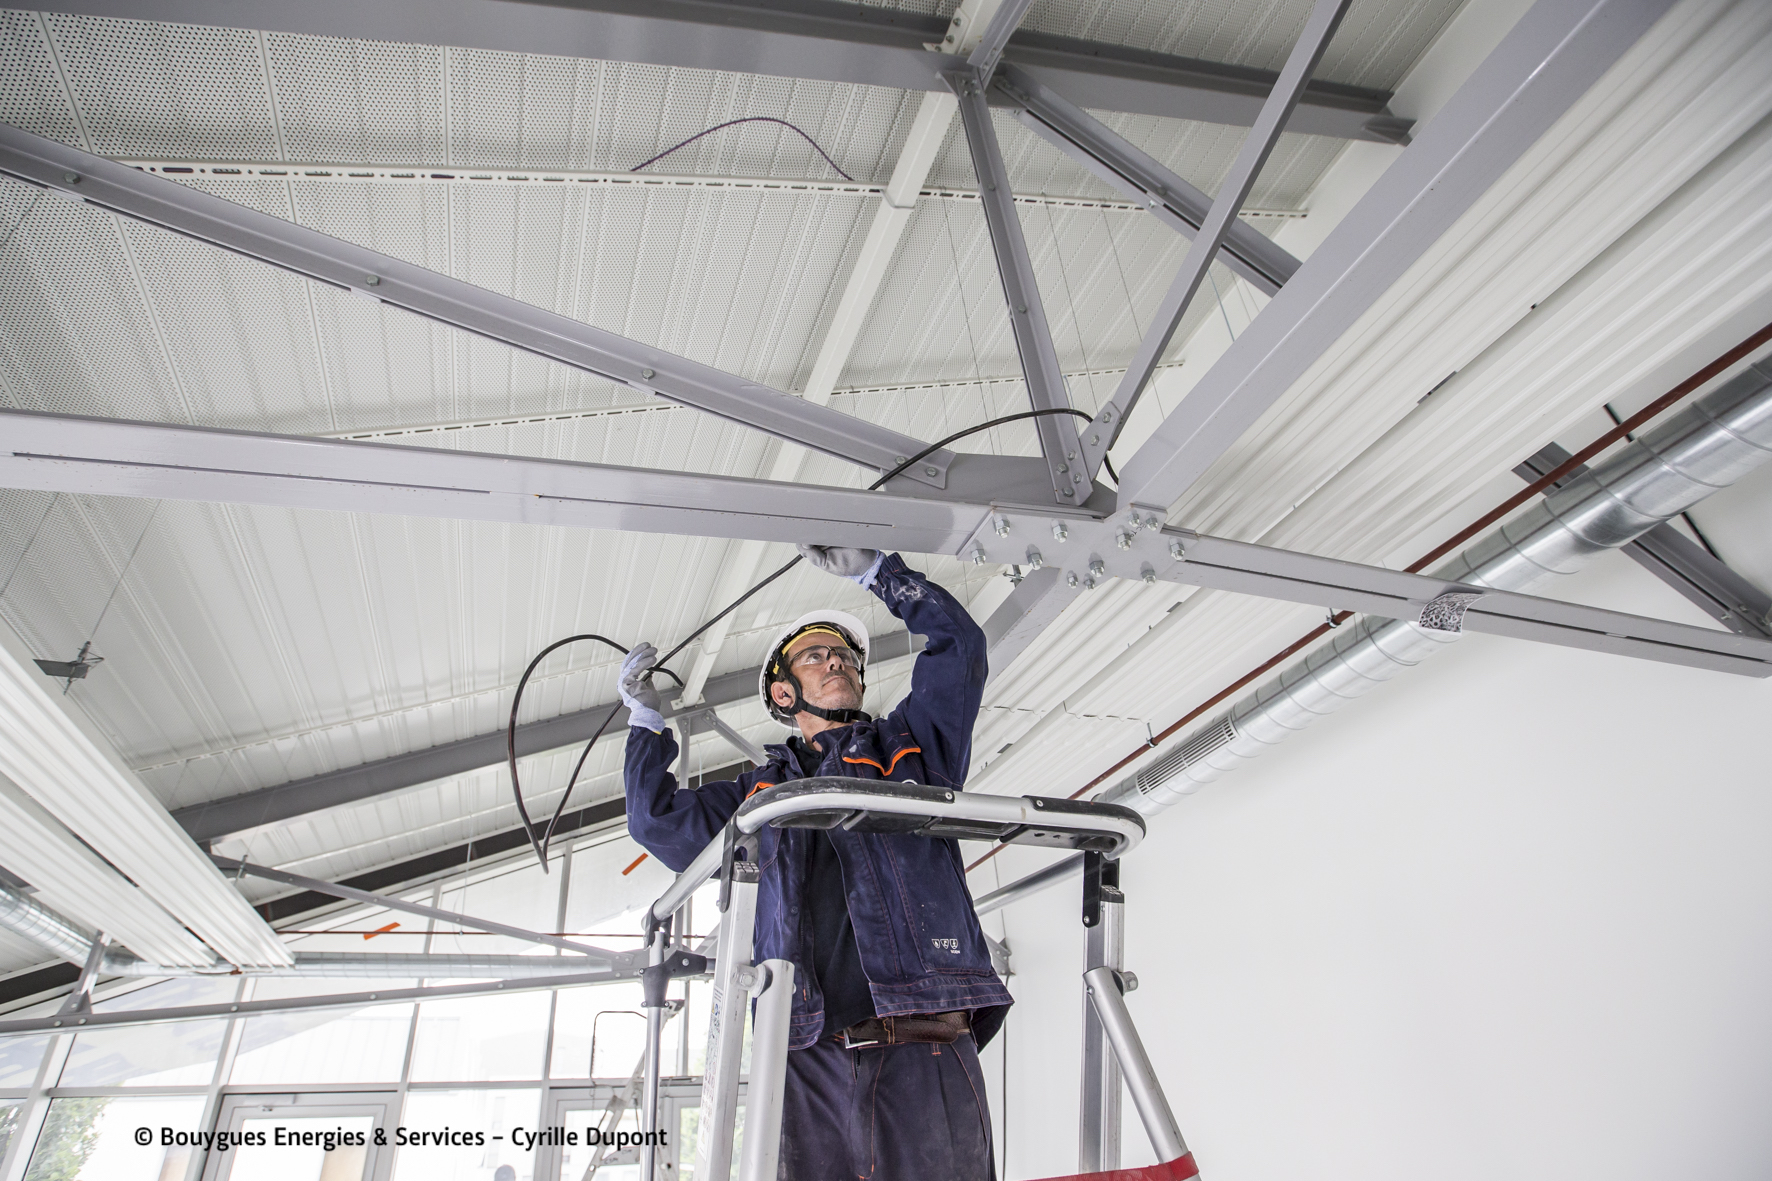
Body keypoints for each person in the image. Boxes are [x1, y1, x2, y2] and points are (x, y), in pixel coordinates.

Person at [619, 545, 1008, 1179]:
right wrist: (643, 723)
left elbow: (960, 648)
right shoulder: (756, 796)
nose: (837, 663)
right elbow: (654, 819)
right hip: (804, 1050)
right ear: (783, 689)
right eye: (816, 656)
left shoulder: (912, 748)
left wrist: (881, 575)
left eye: (846, 657)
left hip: (925, 1038)